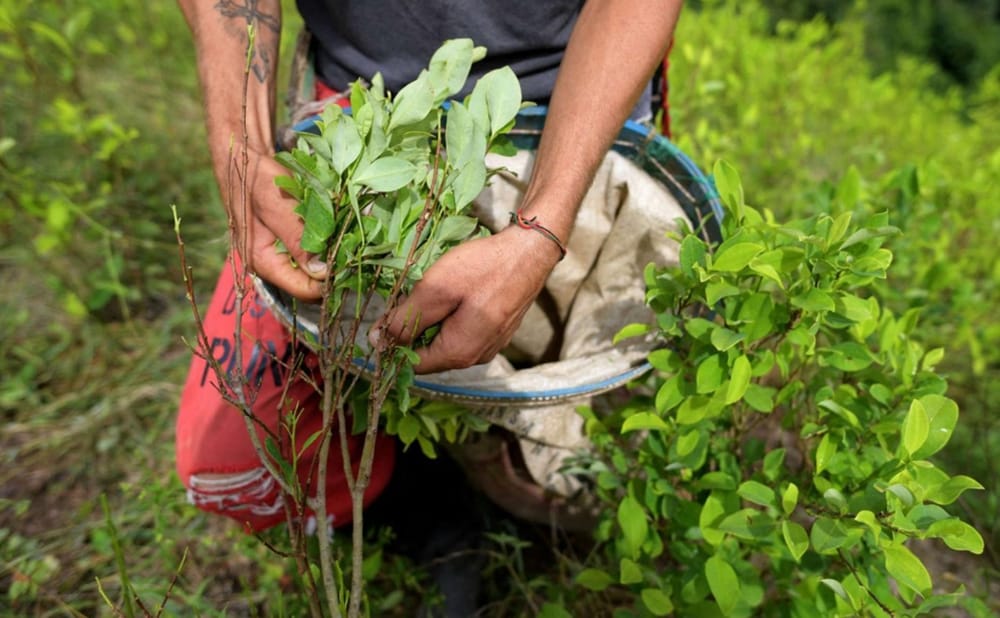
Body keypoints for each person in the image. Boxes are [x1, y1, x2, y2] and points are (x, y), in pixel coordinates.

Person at [174, 0, 683, 611]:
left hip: (574, 110)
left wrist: (542, 228)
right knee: (231, 462)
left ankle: (511, 494)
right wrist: (241, 149)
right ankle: (434, 514)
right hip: (362, 115)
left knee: (599, 443)